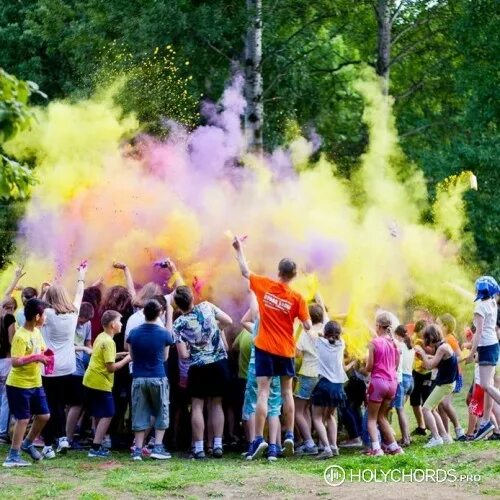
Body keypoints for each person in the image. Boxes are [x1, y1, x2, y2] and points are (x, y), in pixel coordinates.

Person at [232, 237, 312, 458]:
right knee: (287, 393)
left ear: (278, 272)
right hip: (285, 350)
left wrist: (239, 249)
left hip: (265, 348)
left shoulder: (265, 285)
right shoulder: (297, 298)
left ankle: (258, 439)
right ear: (294, 276)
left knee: (263, 393)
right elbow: (307, 325)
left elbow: (245, 272)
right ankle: (288, 435)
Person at [173, 286, 233, 459]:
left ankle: (199, 448)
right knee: (216, 404)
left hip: (198, 367)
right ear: (192, 297)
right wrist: (215, 330)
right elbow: (228, 321)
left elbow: (183, 355)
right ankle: (218, 445)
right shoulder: (207, 306)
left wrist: (196, 349)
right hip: (219, 363)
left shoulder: (178, 325)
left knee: (197, 406)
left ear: (178, 305)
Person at [40, 264, 87, 458]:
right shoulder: (73, 313)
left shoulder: (47, 315)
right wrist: (81, 275)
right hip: (68, 367)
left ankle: (50, 444)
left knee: (50, 405)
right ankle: (62, 438)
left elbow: (37, 307)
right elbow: (79, 294)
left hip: (49, 367)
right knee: (61, 404)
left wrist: (44, 291)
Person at [3, 298, 51, 467]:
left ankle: (27, 443)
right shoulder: (20, 336)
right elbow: (15, 361)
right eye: (44, 314)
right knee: (23, 419)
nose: (46, 317)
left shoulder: (37, 332)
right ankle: (12, 457)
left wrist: (47, 356)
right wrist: (36, 357)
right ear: (37, 316)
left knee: (44, 415)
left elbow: (42, 350)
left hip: (35, 383)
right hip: (18, 384)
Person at [127, 299, 175, 461]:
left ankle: (137, 450)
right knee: (161, 411)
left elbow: (131, 356)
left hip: (138, 377)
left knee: (139, 412)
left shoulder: (133, 333)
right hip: (158, 376)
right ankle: (158, 447)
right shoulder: (164, 334)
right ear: (160, 313)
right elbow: (166, 357)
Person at [83, 310, 131, 458]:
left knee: (99, 412)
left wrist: (118, 355)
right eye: (120, 321)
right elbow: (111, 368)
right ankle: (96, 447)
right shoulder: (109, 342)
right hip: (101, 382)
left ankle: (97, 443)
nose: (122, 324)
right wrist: (128, 359)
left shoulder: (102, 337)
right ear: (112, 325)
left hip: (91, 380)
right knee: (109, 413)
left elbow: (102, 356)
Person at [311, 321, 353, 459]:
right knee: (330, 416)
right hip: (338, 386)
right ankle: (334, 446)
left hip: (324, 384)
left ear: (326, 331)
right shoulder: (341, 344)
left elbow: (315, 333)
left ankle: (326, 448)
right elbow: (336, 337)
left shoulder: (320, 342)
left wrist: (321, 334)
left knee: (317, 418)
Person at [466, 276, 500, 440]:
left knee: (486, 385)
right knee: (489, 386)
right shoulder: (493, 303)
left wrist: (472, 353)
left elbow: (478, 333)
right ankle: (486, 421)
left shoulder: (480, 307)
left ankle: (487, 420)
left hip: (486, 346)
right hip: (493, 345)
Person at [364, 311, 403, 457]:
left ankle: (376, 448)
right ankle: (395, 447)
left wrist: (363, 367)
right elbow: (396, 366)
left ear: (378, 326)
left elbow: (369, 367)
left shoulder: (374, 342)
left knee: (372, 418)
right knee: (382, 417)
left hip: (378, 383)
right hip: (392, 383)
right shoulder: (395, 344)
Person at [414, 324, 458, 448]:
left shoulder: (442, 348)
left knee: (425, 409)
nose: (426, 342)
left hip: (445, 384)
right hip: (446, 383)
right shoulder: (444, 346)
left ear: (431, 337)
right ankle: (445, 436)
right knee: (432, 409)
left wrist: (422, 353)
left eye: (426, 338)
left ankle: (436, 438)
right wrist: (426, 356)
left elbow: (429, 366)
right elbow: (438, 360)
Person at [295, 301, 325, 456]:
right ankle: (323, 443)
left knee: (298, 410)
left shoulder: (306, 333)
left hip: (307, 374)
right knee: (312, 410)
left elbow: (297, 354)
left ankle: (309, 442)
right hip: (323, 375)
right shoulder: (327, 330)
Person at [66, 302, 94, 448]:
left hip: (82, 367)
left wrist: (92, 350)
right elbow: (65, 344)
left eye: (86, 320)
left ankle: (68, 435)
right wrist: (83, 348)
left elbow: (88, 343)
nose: (83, 322)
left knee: (78, 403)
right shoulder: (68, 322)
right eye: (82, 319)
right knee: (75, 404)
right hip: (70, 367)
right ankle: (67, 438)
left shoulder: (88, 325)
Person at [436, 314, 465, 439]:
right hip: (447, 375)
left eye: (438, 324)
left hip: (454, 375)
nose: (435, 326)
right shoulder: (444, 339)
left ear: (445, 326)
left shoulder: (449, 338)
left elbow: (460, 356)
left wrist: (449, 362)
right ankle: (445, 433)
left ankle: (459, 430)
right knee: (441, 405)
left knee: (445, 404)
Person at [392, 325, 414, 446]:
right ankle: (407, 437)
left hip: (402, 379)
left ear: (398, 335)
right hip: (410, 379)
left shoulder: (399, 345)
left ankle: (405, 438)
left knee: (400, 410)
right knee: (402, 410)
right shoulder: (411, 346)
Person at [409, 319, 431, 435]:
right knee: (415, 401)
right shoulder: (415, 338)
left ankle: (431, 426)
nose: (420, 335)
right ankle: (421, 426)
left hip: (427, 373)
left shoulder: (430, 340)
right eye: (418, 332)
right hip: (416, 373)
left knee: (428, 401)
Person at [0, 297, 18, 442]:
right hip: (6, 361)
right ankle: (2, 432)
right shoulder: (9, 318)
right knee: (6, 398)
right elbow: (12, 341)